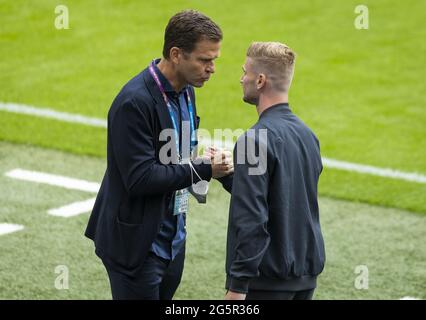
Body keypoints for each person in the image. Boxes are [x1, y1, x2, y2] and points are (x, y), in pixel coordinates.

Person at [84, 10, 232, 300]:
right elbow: (139, 178)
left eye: (214, 60)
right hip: (136, 244)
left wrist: (205, 161)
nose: (212, 68)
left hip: (173, 237)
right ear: (176, 54)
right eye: (205, 59)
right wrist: (202, 168)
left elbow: (175, 155)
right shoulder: (133, 103)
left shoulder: (186, 90)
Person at [213, 42, 325, 300]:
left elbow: (252, 217)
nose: (241, 79)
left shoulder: (253, 140)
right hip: (304, 278)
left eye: (245, 72)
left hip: (265, 283)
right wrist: (231, 176)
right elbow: (282, 195)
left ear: (260, 80)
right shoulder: (308, 136)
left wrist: (238, 285)